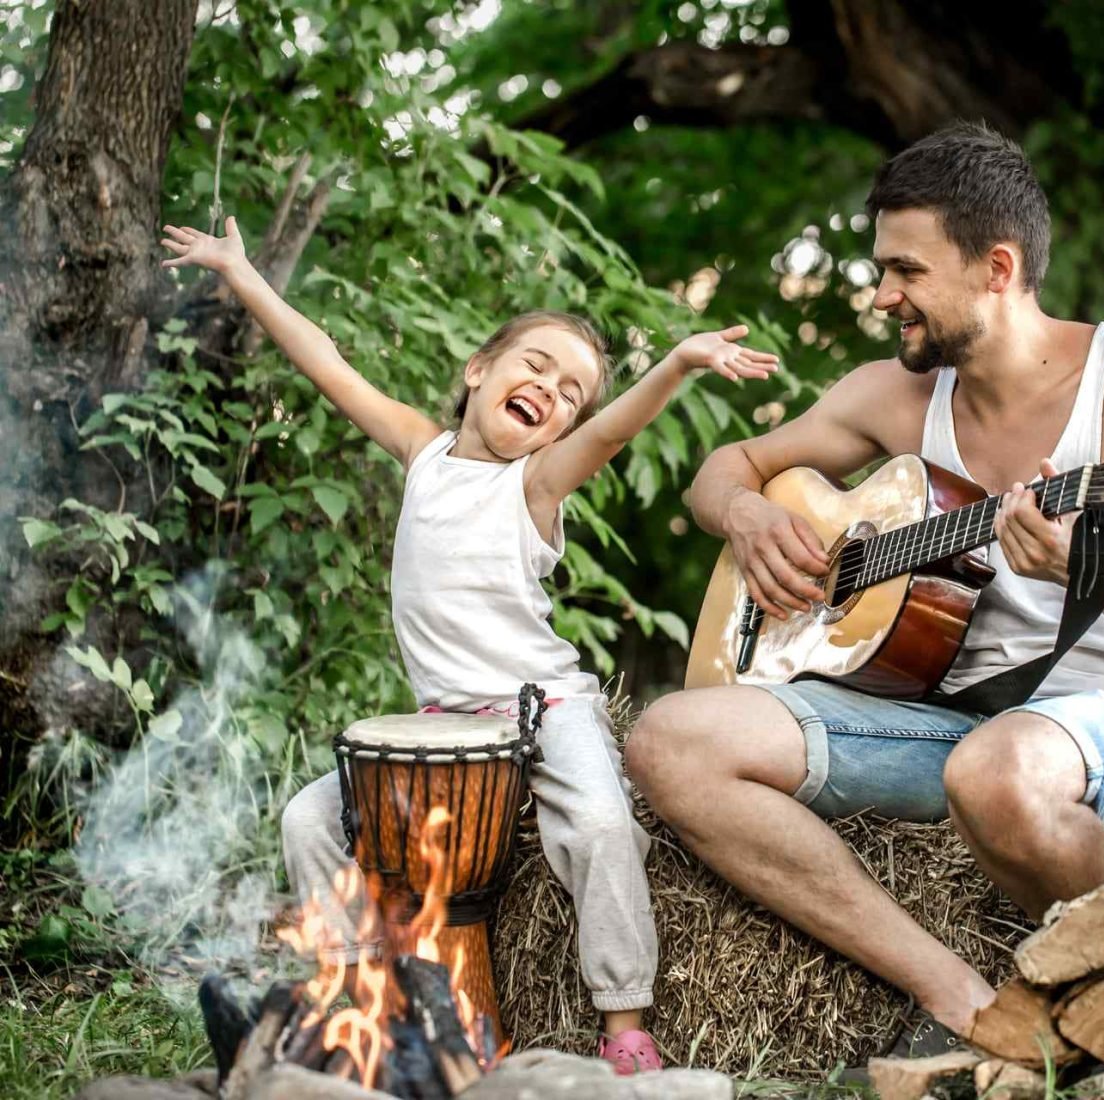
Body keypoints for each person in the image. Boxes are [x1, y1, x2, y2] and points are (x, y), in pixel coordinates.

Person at [624, 121, 1104, 1059]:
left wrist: (1099, 576)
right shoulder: (895, 395)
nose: (883, 295)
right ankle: (961, 998)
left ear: (996, 268)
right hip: (959, 716)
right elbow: (729, 467)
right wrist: (748, 518)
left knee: (997, 771)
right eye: (883, 268)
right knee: (669, 741)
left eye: (906, 271)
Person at [160, 216, 779, 1073]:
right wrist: (240, 272)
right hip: (445, 723)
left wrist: (674, 364)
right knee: (305, 820)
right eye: (536, 364)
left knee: (601, 825)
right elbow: (328, 363)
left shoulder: (538, 483)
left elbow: (612, 432)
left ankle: (624, 1022)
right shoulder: (423, 453)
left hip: (542, 707)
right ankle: (360, 1000)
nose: (551, 391)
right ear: (478, 369)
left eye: (570, 392)